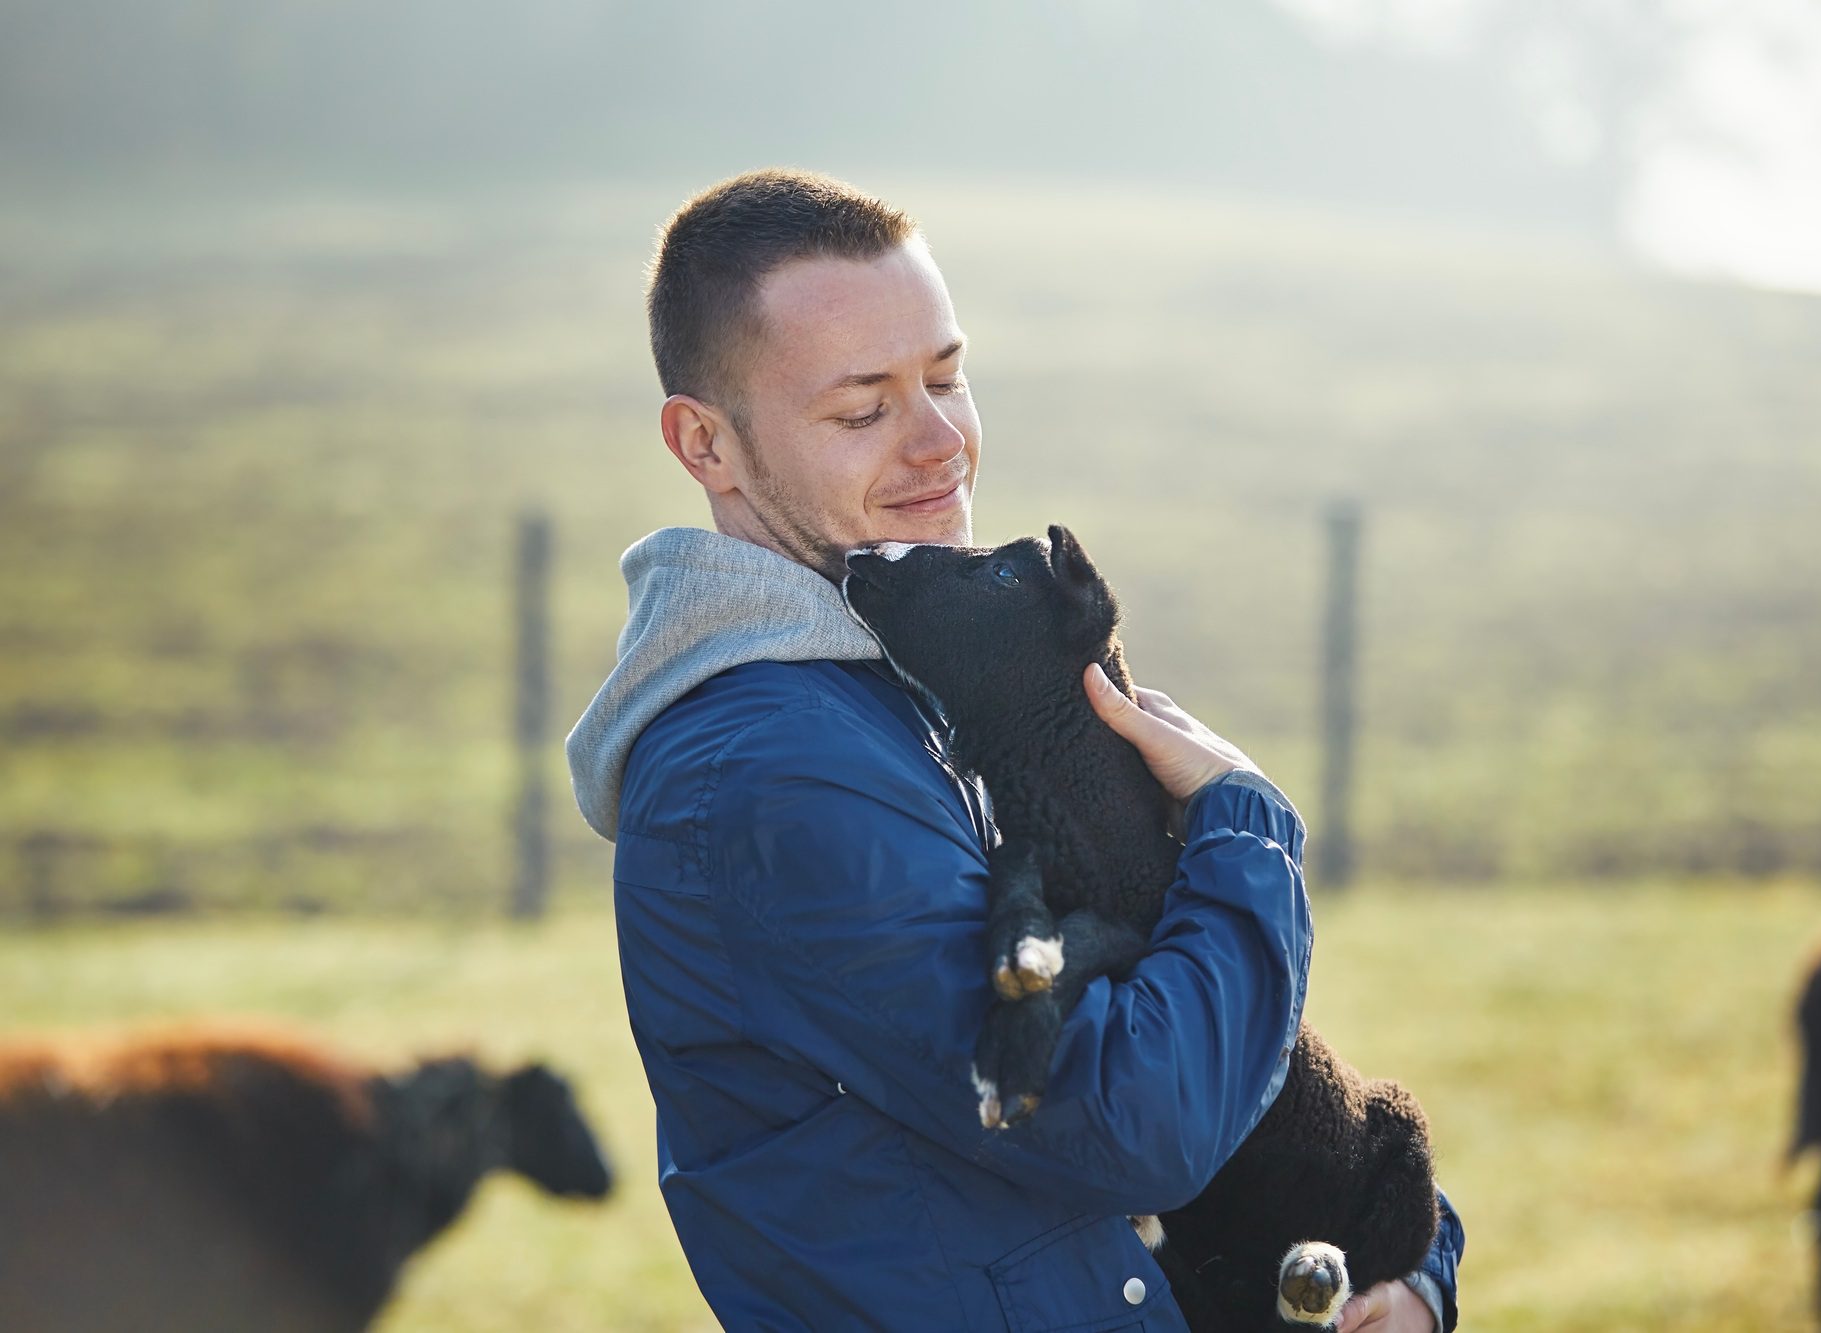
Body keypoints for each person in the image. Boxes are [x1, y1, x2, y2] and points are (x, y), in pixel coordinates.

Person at [567, 168, 1463, 1331]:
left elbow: (1232, 1068)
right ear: (707, 445)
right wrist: (1245, 829)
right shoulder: (766, 771)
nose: (940, 442)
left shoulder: (934, 680)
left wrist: (1408, 1272)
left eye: (945, 377)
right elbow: (1133, 1123)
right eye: (862, 409)